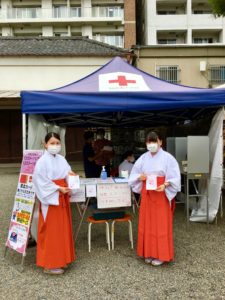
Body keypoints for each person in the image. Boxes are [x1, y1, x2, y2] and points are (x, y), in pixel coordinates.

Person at [128, 131, 181, 266]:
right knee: (147, 223)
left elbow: (175, 176)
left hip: (161, 193)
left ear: (160, 142)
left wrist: (166, 184)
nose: (151, 144)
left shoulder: (168, 158)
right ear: (146, 143)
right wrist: (140, 177)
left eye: (154, 141)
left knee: (161, 224)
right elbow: (134, 174)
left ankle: (161, 254)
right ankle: (149, 252)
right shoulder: (143, 158)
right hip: (147, 194)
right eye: (149, 142)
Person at [33, 132, 76, 275]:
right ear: (45, 144)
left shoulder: (62, 159)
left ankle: (62, 259)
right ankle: (49, 264)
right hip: (51, 198)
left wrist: (71, 179)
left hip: (61, 196)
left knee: (62, 229)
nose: (55, 146)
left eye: (57, 143)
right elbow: (40, 181)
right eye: (52, 143)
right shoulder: (41, 161)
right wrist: (58, 188)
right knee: (51, 231)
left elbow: (68, 173)